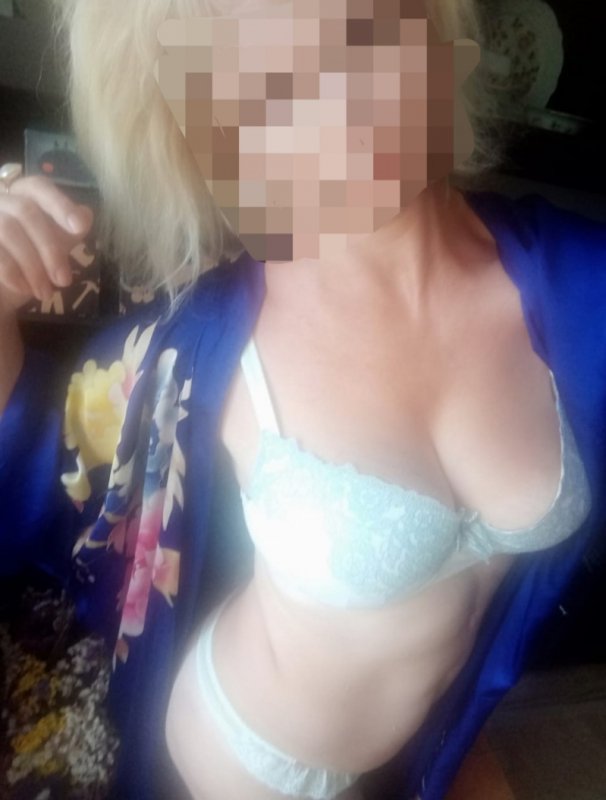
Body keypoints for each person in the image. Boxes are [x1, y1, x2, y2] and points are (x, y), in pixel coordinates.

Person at [0, 1, 604, 799]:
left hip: (421, 753)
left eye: (357, 37)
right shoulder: (199, 345)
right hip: (230, 764)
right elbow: (34, 468)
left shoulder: (579, 282)